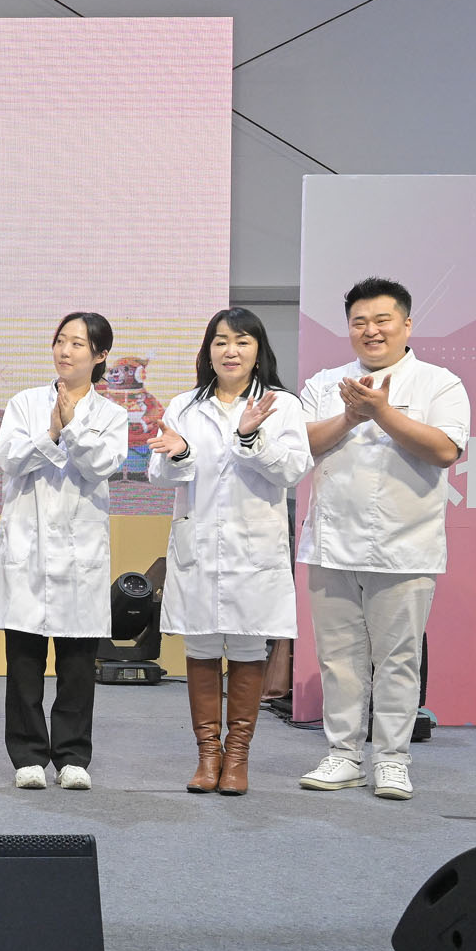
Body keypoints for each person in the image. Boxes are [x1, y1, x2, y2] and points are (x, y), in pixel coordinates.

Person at [296, 276, 469, 802]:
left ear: (406, 325)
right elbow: (302, 444)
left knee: (398, 659)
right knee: (339, 658)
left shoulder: (439, 383)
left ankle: (392, 760)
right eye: (359, 322)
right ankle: (343, 755)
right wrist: (352, 415)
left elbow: (445, 450)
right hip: (331, 542)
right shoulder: (326, 384)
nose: (371, 331)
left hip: (405, 544)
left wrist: (382, 413)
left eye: (382, 320)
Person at [146, 308, 311, 797]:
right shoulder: (184, 406)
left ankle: (237, 758)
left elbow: (292, 471)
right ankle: (207, 757)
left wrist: (250, 437)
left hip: (252, 549)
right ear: (208, 351)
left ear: (259, 350)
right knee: (199, 647)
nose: (230, 351)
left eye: (241, 341)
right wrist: (179, 454)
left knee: (245, 648)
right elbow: (159, 476)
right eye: (220, 341)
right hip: (198, 544)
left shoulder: (282, 405)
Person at [0, 312, 128, 791]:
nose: (65, 351)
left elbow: (100, 466)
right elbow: (8, 459)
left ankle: (71, 756)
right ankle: (27, 754)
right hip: (27, 549)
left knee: (76, 664)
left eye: (78, 344)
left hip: (80, 555)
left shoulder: (112, 415)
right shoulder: (25, 403)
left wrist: (73, 428)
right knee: (24, 661)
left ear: (100, 355)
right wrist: (50, 432)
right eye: (60, 341)